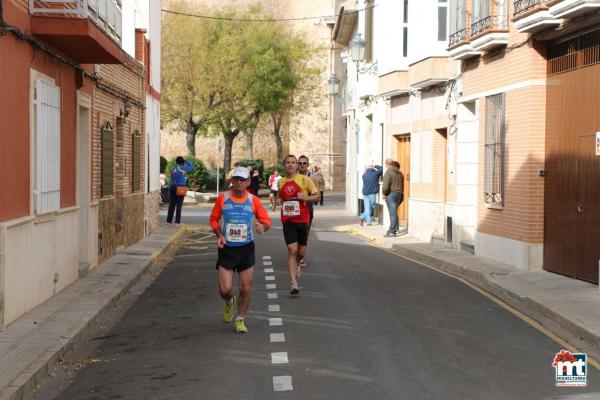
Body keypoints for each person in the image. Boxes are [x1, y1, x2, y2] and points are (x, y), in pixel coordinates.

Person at [210, 166, 272, 333]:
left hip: (246, 248)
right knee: (225, 290)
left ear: (248, 182)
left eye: (242, 179)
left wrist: (263, 227)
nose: (238, 182)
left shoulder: (253, 201)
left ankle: (240, 319)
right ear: (231, 181)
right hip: (227, 248)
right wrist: (219, 235)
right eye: (236, 179)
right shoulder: (222, 199)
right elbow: (214, 219)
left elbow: (266, 221)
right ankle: (230, 301)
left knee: (245, 287)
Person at [278, 155, 319, 295]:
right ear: (284, 165)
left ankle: (298, 263)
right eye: (287, 162)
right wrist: (282, 202)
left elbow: (317, 195)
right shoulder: (281, 182)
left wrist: (305, 198)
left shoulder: (304, 180)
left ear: (296, 166)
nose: (290, 165)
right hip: (288, 221)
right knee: (292, 250)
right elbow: (281, 196)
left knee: (301, 253)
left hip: (302, 220)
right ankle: (293, 283)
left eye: (293, 163)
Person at [296, 155, 318, 271]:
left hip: (307, 208)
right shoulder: (292, 176)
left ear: (308, 165)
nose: (302, 165)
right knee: (293, 233)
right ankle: (294, 252)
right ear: (297, 164)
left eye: (304, 163)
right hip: (293, 209)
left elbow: (316, 195)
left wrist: (305, 197)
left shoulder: (312, 177)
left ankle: (301, 256)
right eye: (300, 163)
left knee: (305, 233)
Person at [166, 156, 193, 224]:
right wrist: (186, 160)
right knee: (179, 205)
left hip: (172, 186)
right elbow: (191, 166)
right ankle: (177, 222)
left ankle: (169, 221)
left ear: (176, 161)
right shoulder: (182, 168)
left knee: (171, 204)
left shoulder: (172, 168)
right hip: (181, 187)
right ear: (182, 162)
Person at [382, 160, 404, 237]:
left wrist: (384, 193)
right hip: (399, 194)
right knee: (394, 212)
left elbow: (385, 186)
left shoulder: (388, 172)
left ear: (388, 165)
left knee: (392, 214)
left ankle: (392, 231)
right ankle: (395, 228)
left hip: (391, 194)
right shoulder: (400, 173)